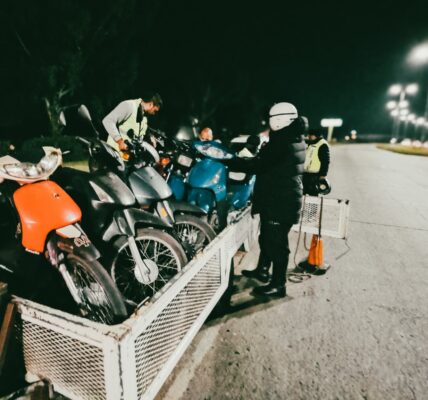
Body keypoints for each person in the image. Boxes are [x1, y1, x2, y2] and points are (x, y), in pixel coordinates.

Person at [225, 102, 306, 297]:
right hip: (283, 198)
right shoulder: (293, 136)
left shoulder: (282, 142)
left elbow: (259, 165)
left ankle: (278, 284)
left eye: (271, 118)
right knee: (267, 238)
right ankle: (262, 270)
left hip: (280, 200)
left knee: (277, 245)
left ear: (279, 120)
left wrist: (231, 162)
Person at [302, 128, 330, 195]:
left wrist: (323, 175)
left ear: (316, 136)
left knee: (313, 194)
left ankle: (313, 202)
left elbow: (325, 161)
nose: (309, 136)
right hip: (305, 173)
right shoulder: (311, 143)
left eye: (311, 135)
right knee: (302, 193)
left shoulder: (322, 145)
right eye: (309, 135)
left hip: (315, 175)